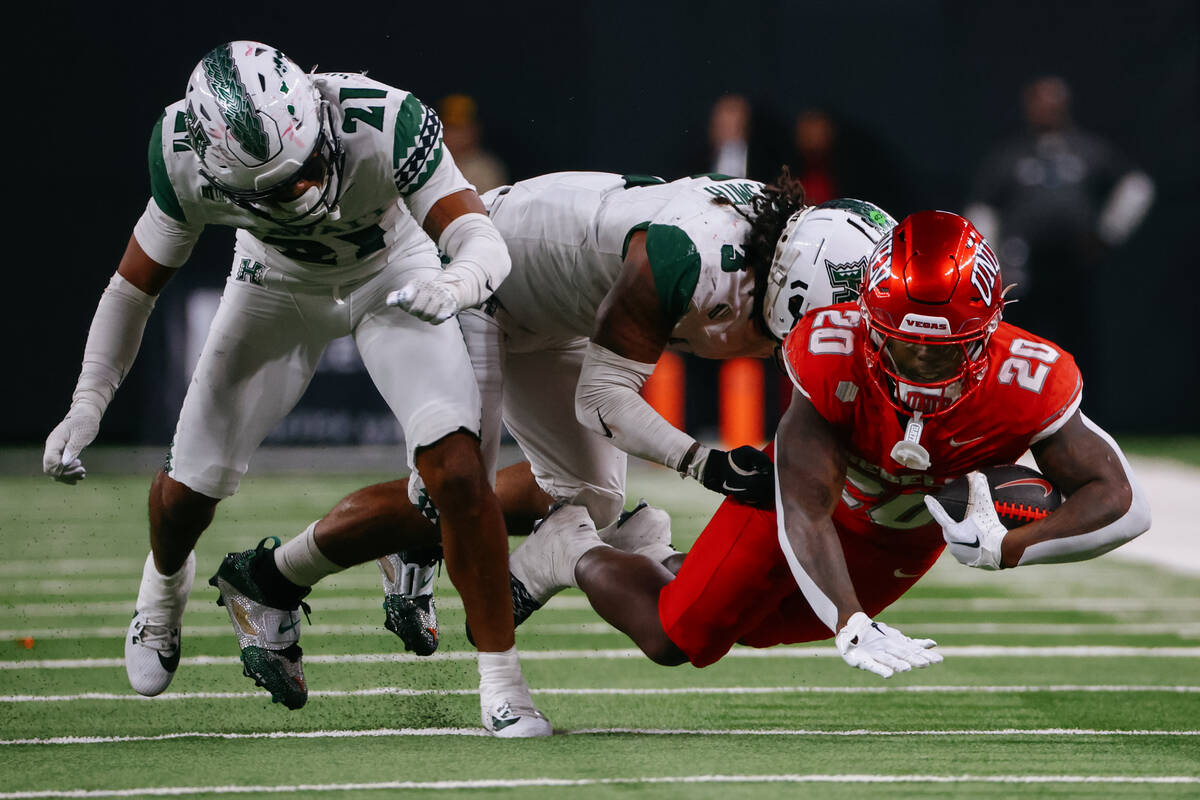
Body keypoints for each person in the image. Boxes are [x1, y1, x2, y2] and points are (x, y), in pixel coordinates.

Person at [39, 41, 549, 737]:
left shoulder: (382, 120)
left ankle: (503, 684)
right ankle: (161, 592)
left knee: (458, 473)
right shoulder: (180, 151)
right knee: (188, 490)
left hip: (392, 270)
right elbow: (133, 288)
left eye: (309, 165)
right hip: (273, 284)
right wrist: (88, 400)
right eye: (281, 187)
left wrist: (456, 280)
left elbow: (481, 239)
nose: (307, 191)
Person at [214, 173, 897, 670]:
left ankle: (457, 548)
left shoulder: (776, 258)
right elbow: (601, 401)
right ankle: (272, 576)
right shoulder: (689, 257)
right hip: (484, 281)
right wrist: (704, 462)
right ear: (801, 287)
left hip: (561, 312)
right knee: (458, 494)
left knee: (590, 500)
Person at [495, 210, 1151, 677]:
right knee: (680, 638)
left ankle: (647, 547)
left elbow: (1122, 503)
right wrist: (849, 622)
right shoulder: (830, 350)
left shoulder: (1027, 379)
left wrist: (1011, 547)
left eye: (943, 351)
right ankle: (570, 547)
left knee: (751, 627)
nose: (922, 369)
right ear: (870, 323)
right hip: (801, 506)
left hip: (898, 540)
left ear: (986, 335)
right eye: (906, 347)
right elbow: (803, 509)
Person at [964, 76, 1153, 381]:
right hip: (1021, 266)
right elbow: (983, 208)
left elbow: (1136, 186)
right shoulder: (1010, 156)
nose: (1046, 109)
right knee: (1019, 339)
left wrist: (1108, 233)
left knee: (1077, 340)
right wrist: (989, 258)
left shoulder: (1088, 150)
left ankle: (1078, 400)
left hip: (1074, 264)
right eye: (1039, 102)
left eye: (1053, 102)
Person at [438, 94, 508, 194]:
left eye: (459, 129)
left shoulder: (487, 169)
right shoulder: (430, 163)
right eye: (449, 128)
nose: (453, 135)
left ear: (474, 130)